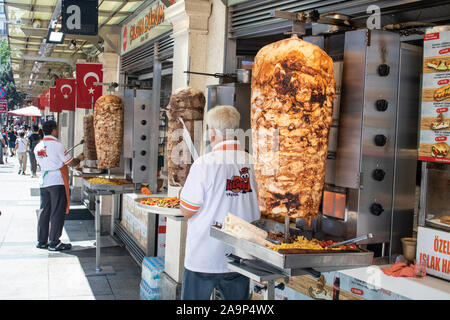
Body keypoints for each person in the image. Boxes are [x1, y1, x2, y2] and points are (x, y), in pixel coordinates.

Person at [179, 105, 260, 300]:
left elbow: (188, 211)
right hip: (242, 256)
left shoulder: (204, 164)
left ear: (212, 132)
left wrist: (183, 195)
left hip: (205, 256)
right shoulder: (254, 162)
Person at [34, 121, 84, 251]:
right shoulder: (57, 145)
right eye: (57, 129)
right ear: (53, 130)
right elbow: (71, 163)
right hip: (56, 181)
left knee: (45, 211)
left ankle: (42, 240)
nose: (58, 131)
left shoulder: (38, 147)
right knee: (57, 212)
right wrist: (80, 158)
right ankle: (54, 242)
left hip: (44, 182)